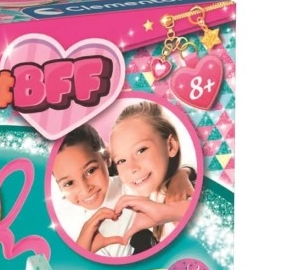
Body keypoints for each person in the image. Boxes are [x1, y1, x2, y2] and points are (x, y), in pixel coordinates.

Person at [110, 101, 197, 249]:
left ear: (170, 146)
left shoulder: (184, 196)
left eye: (141, 150)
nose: (132, 168)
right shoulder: (150, 202)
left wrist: (168, 212)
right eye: (121, 160)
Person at [51, 124, 135, 257]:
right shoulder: (61, 220)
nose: (85, 189)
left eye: (90, 171)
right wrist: (82, 251)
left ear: (106, 157)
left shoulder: (133, 188)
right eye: (69, 183)